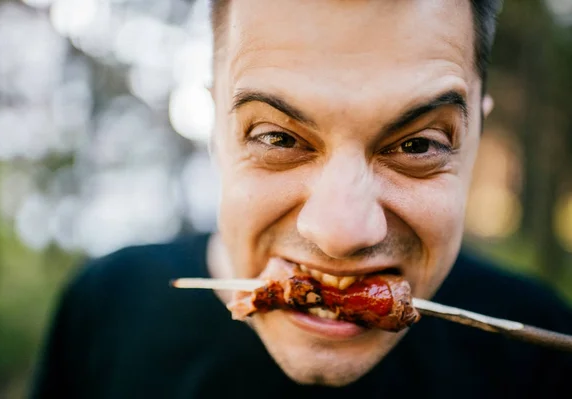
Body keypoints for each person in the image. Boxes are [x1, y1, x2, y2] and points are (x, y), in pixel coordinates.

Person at [29, 1, 572, 398]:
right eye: (278, 138)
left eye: (418, 144)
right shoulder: (103, 311)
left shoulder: (537, 354)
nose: (340, 232)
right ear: (217, 130)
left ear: (476, 137)